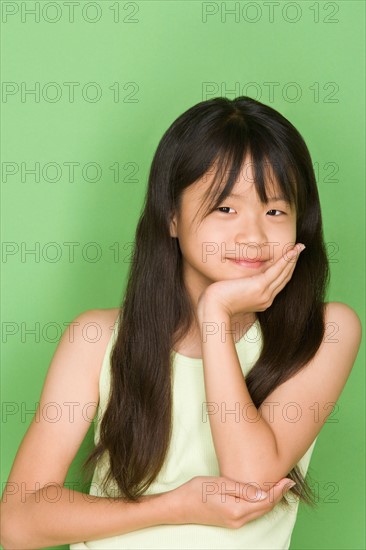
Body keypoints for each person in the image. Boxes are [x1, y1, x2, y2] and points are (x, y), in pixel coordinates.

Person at [0, 96, 362, 550]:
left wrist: (215, 313)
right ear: (172, 215)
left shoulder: (325, 331)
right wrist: (176, 505)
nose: (253, 235)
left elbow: (250, 475)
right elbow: (17, 522)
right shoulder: (95, 338)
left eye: (275, 211)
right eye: (225, 209)